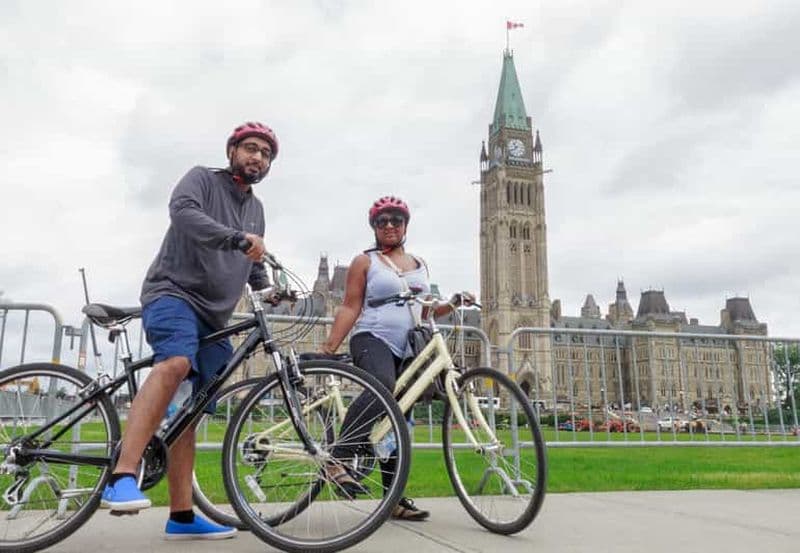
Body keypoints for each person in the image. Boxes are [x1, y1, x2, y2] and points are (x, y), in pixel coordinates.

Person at [100, 122, 278, 540]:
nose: (257, 157)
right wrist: (235, 238)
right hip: (174, 293)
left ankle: (181, 516)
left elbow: (251, 259)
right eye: (250, 148)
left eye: (266, 154)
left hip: (214, 319)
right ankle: (123, 474)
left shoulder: (257, 209)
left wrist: (268, 289)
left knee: (190, 414)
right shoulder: (201, 179)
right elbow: (183, 213)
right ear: (232, 150)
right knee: (176, 363)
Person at [320, 196, 474, 521]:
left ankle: (393, 500)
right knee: (383, 388)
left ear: (405, 225)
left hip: (408, 348)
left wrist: (454, 302)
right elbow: (350, 306)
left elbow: (425, 308)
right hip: (371, 339)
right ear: (374, 228)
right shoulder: (365, 261)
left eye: (395, 220)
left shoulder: (419, 264)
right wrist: (329, 348)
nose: (389, 226)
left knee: (396, 424)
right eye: (382, 221)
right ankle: (338, 458)